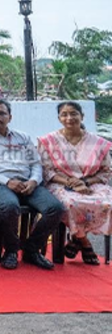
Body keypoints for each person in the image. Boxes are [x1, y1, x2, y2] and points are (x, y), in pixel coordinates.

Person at [0, 99, 63, 270]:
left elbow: (35, 163)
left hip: (27, 183)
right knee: (10, 206)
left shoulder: (23, 137)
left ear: (10, 117)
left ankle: (31, 250)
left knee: (55, 208)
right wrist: (7, 182)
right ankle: (11, 250)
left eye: (1, 113)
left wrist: (34, 181)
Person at [38, 101, 112, 266]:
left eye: (73, 113)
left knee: (107, 202)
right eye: (64, 114)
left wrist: (84, 182)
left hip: (90, 183)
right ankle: (84, 242)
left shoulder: (98, 143)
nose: (69, 118)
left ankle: (75, 239)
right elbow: (46, 171)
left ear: (82, 116)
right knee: (71, 203)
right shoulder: (49, 141)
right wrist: (71, 182)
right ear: (59, 118)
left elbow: (106, 171)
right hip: (60, 183)